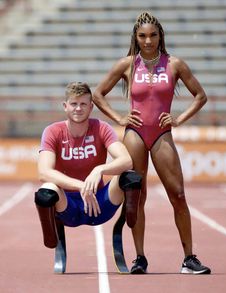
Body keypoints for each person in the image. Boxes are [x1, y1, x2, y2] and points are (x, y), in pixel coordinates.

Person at [93, 11, 211, 274]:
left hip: (161, 134)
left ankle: (189, 259)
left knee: (178, 195)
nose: (148, 41)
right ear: (136, 37)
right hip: (134, 134)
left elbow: (200, 96)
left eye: (153, 35)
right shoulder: (127, 65)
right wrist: (119, 118)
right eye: (143, 36)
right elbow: (98, 94)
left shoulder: (174, 64)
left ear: (161, 36)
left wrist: (179, 119)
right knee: (137, 196)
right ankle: (140, 259)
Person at [34, 82, 142, 257]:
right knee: (46, 190)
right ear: (65, 106)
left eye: (83, 104)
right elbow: (44, 172)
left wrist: (99, 169)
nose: (78, 108)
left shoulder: (101, 128)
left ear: (91, 107)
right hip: (68, 207)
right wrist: (81, 186)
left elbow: (127, 160)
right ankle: (51, 236)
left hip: (99, 204)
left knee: (130, 176)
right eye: (74, 104)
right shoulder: (53, 131)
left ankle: (130, 219)